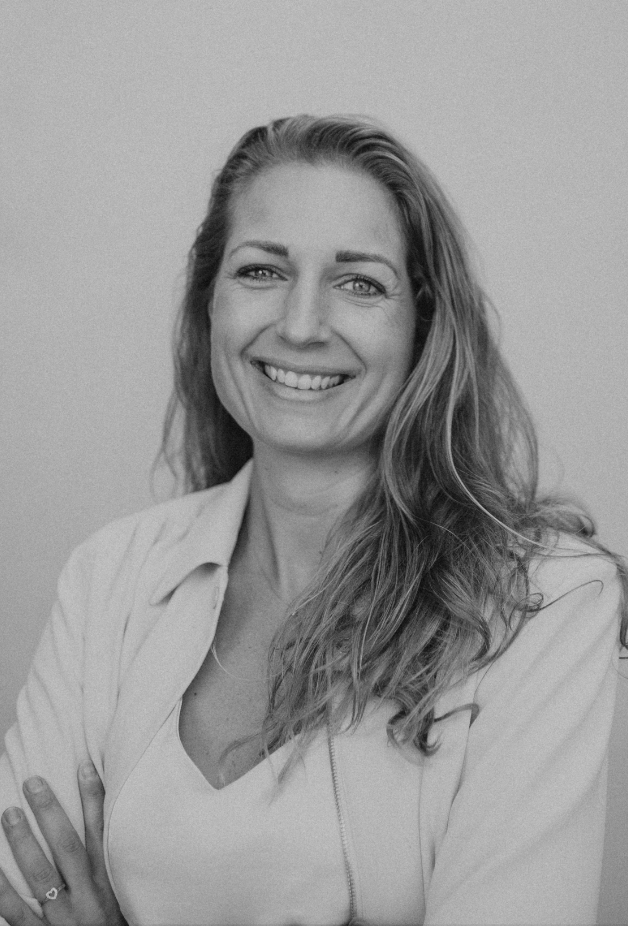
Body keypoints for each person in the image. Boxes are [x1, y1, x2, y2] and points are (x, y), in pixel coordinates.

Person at [0, 114, 625, 926]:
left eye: (360, 282)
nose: (299, 324)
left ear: (425, 327)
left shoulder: (546, 605)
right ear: (209, 305)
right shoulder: (109, 574)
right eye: (261, 270)